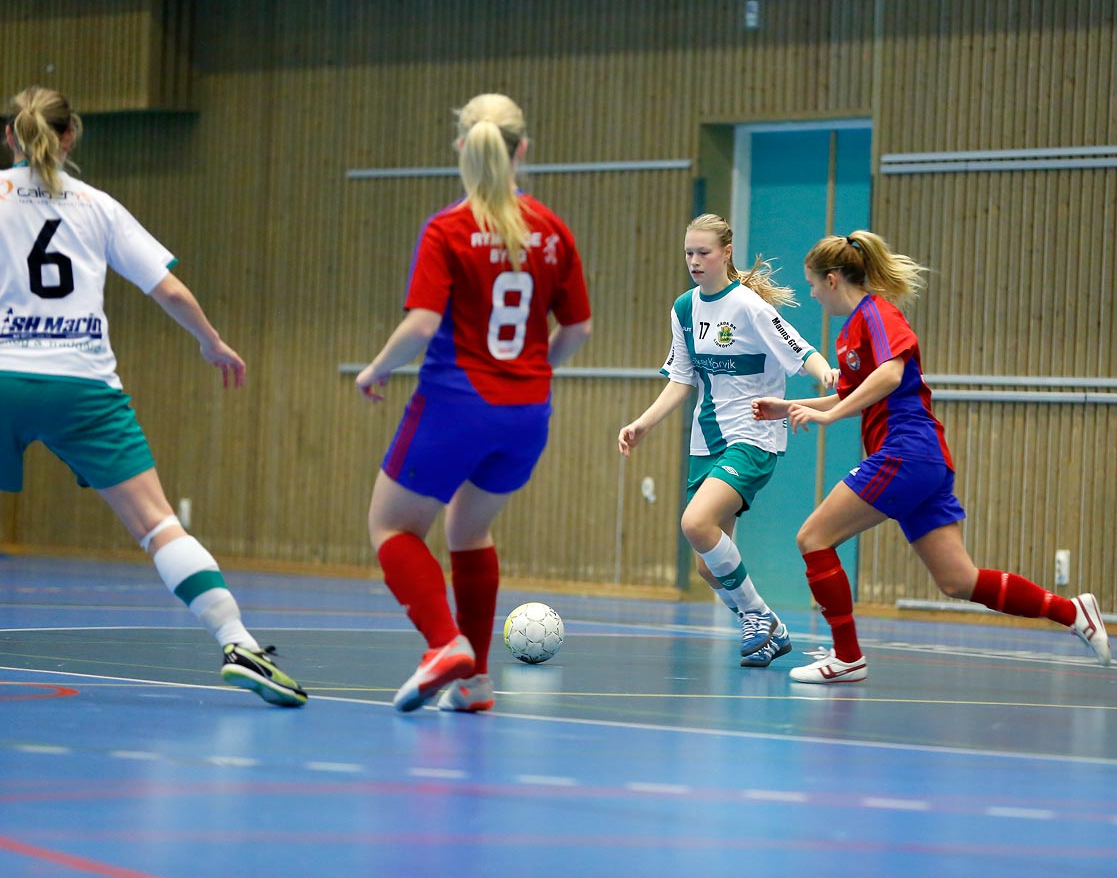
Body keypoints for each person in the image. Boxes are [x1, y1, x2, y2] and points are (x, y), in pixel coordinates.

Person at [0, 86, 306, 707]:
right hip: (82, 385)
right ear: (70, 137)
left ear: (10, 137)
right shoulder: (98, 206)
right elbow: (167, 290)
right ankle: (236, 641)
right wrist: (212, 342)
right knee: (157, 523)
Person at [751, 231, 1112, 683]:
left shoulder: (877, 314)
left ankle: (847, 658)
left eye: (811, 285)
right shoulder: (850, 335)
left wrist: (830, 417)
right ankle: (1072, 611)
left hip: (905, 452)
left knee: (813, 537)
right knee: (958, 580)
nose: (812, 295)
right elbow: (856, 394)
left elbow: (889, 374)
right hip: (925, 460)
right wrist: (789, 409)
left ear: (831, 279)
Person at [357, 93, 591, 714]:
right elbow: (578, 331)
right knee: (469, 528)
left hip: (455, 404)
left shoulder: (450, 229)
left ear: (462, 147)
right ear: (522, 150)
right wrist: (533, 370)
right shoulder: (551, 230)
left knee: (393, 526)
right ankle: (474, 682)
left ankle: (443, 645)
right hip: (527, 413)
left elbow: (420, 323)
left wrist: (375, 369)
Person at [618, 214, 834, 668]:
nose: (694, 261)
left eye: (703, 252)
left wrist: (827, 376)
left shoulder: (749, 307)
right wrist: (643, 423)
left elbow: (801, 350)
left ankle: (759, 617)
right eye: (688, 253)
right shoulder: (684, 308)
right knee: (706, 565)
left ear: (726, 253)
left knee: (695, 522)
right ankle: (767, 627)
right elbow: (681, 380)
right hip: (707, 441)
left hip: (753, 436)